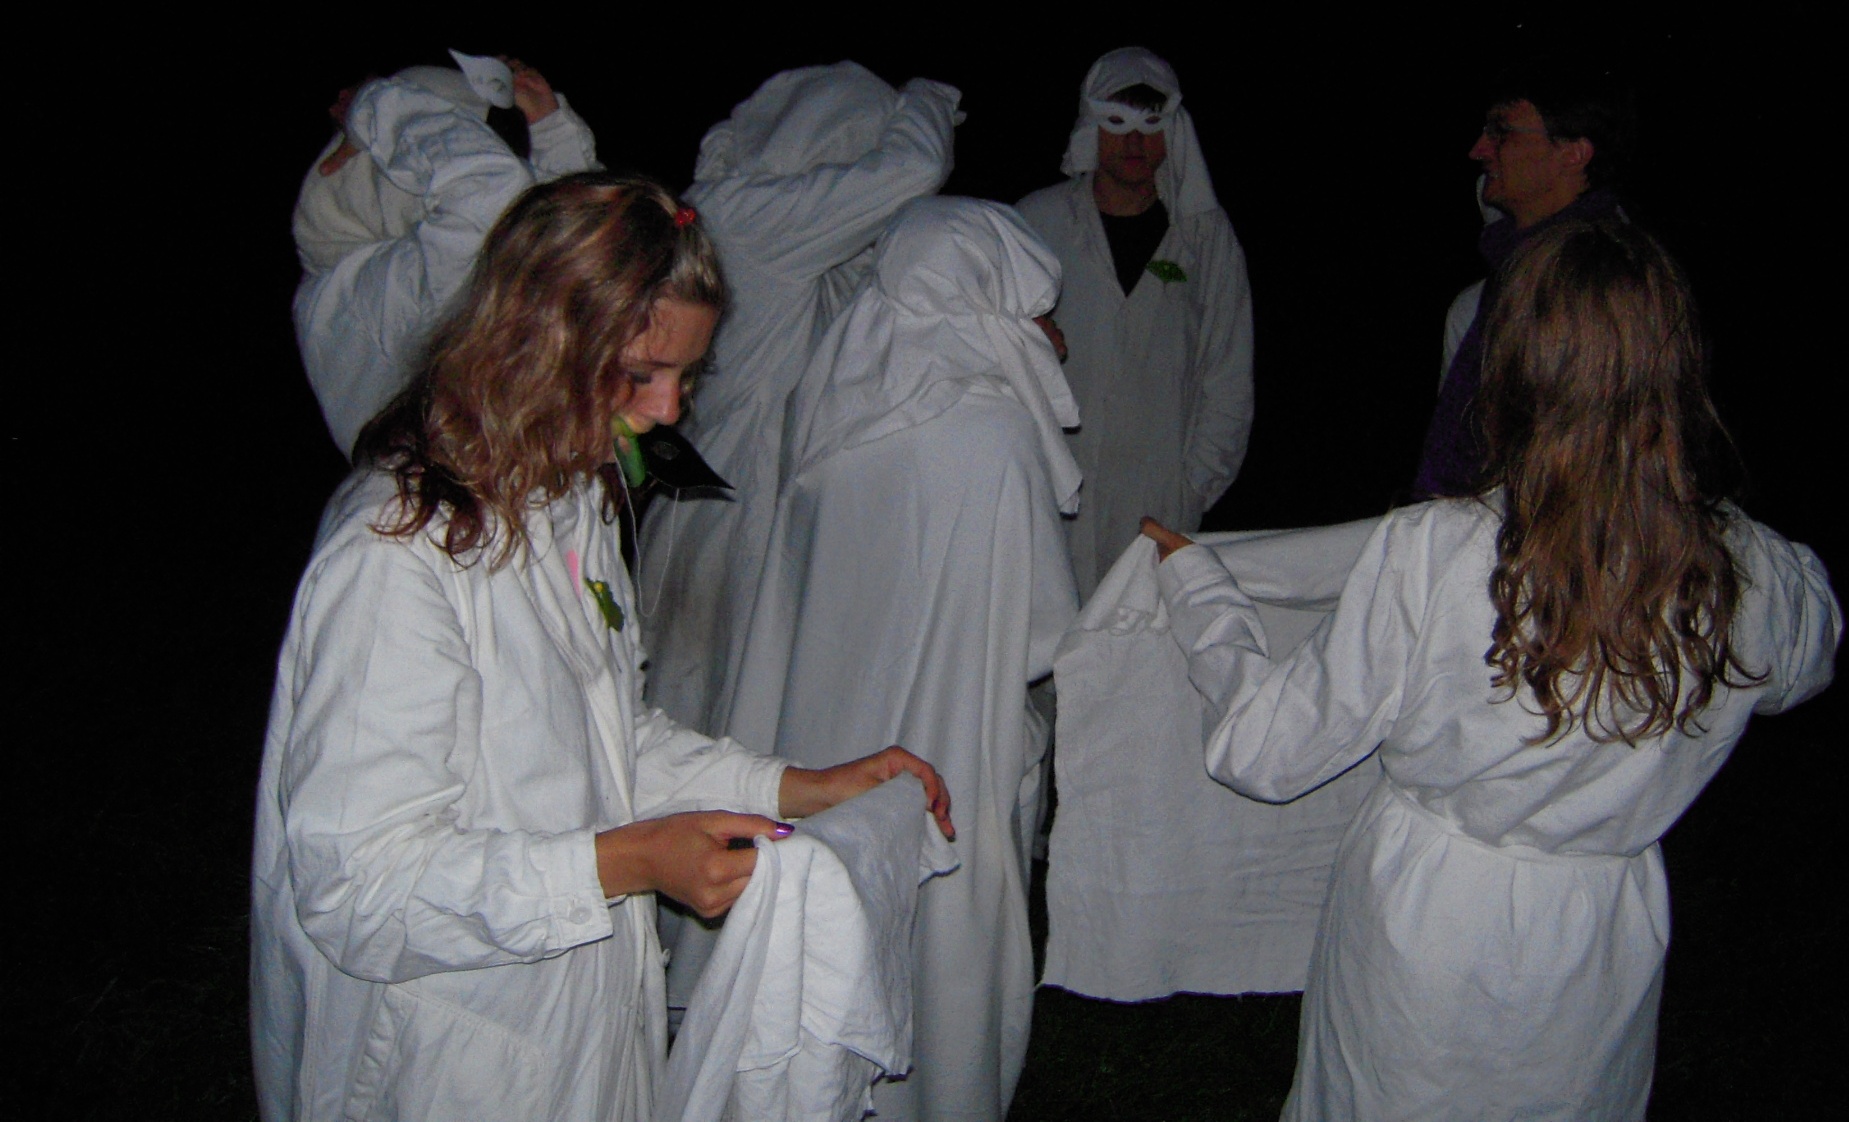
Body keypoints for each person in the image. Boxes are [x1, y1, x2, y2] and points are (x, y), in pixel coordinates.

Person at [250, 173, 952, 1122]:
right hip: (445, 1054)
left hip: (578, 1018)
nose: (668, 412)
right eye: (640, 374)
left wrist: (798, 788)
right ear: (537, 344)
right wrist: (622, 863)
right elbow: (357, 889)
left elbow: (609, 741)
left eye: (687, 377)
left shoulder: (565, 492)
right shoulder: (396, 557)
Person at [1141, 220, 1839, 1120]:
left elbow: (1264, 751)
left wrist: (1200, 590)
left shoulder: (1438, 552)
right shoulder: (1749, 571)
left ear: (1515, 366)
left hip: (1427, 933)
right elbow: (1804, 664)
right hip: (1598, 942)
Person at [721, 197, 1082, 1121]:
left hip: (826, 740)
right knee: (942, 941)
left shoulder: (835, 408)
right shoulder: (991, 433)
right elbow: (1042, 631)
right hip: (949, 745)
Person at [634, 62, 960, 737]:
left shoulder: (751, 219)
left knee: (729, 721)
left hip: (746, 514)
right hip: (736, 522)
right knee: (708, 726)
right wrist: (928, 98)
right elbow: (915, 168)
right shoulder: (749, 217)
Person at [1016, 46, 1254, 597]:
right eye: (1116, 121)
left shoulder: (1204, 238)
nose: (1133, 141)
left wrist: (1190, 488)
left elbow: (1229, 375)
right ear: (1090, 124)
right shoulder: (1034, 223)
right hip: (1047, 493)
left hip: (1156, 502)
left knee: (1138, 634)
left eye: (1150, 123)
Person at [291, 52, 601, 459]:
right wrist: (375, 105)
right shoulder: (372, 295)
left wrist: (549, 128)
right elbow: (501, 203)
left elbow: (569, 254)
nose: (499, 154)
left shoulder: (367, 280)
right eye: (469, 138)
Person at [1412, 68, 1633, 497]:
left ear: (1573, 153)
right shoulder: (1487, 296)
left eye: (1502, 133)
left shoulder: (1609, 290)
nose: (1478, 150)